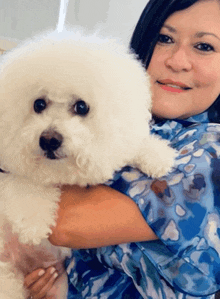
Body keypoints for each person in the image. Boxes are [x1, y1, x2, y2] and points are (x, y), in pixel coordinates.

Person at [24, 0, 220, 298]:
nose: (178, 61)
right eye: (164, 38)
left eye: (204, 47)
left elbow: (65, 222)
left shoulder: (211, 147)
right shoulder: (109, 124)